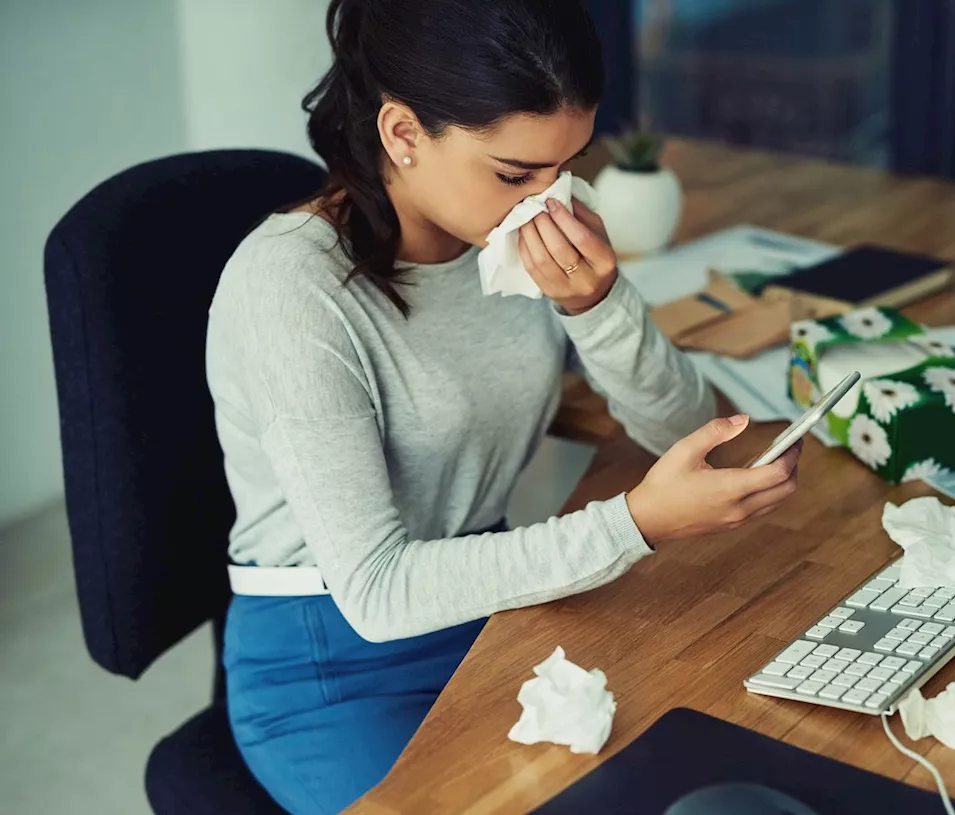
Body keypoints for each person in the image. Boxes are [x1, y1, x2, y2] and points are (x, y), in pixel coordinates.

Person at [205, 0, 802, 812]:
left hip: (491, 606)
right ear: (403, 134)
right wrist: (635, 523)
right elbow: (377, 592)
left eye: (566, 166)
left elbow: (686, 432)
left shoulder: (514, 234)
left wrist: (599, 303)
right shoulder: (291, 289)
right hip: (334, 656)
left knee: (717, 757)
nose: (547, 202)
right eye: (516, 174)